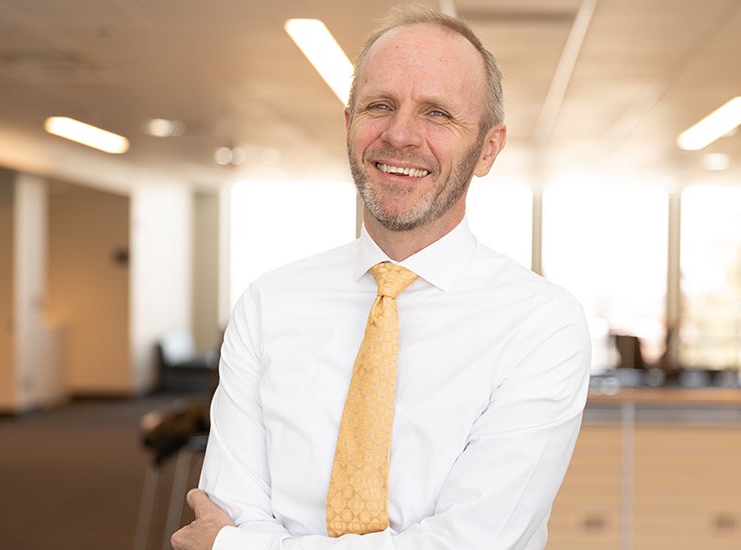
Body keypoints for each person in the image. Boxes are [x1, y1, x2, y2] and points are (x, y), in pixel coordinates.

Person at [171, 5, 591, 549]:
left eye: (437, 113)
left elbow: (471, 543)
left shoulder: (541, 324)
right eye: (379, 105)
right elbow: (228, 506)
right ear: (350, 125)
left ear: (488, 148)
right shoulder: (269, 303)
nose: (399, 135)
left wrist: (239, 547)